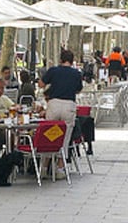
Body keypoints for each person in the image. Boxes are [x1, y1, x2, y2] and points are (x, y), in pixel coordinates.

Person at [38, 49, 83, 179]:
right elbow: (78, 90)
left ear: (61, 59)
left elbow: (41, 84)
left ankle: (44, 168)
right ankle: (60, 168)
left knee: (49, 136)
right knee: (65, 137)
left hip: (54, 104)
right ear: (72, 60)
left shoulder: (53, 70)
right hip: (69, 105)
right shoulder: (76, 73)